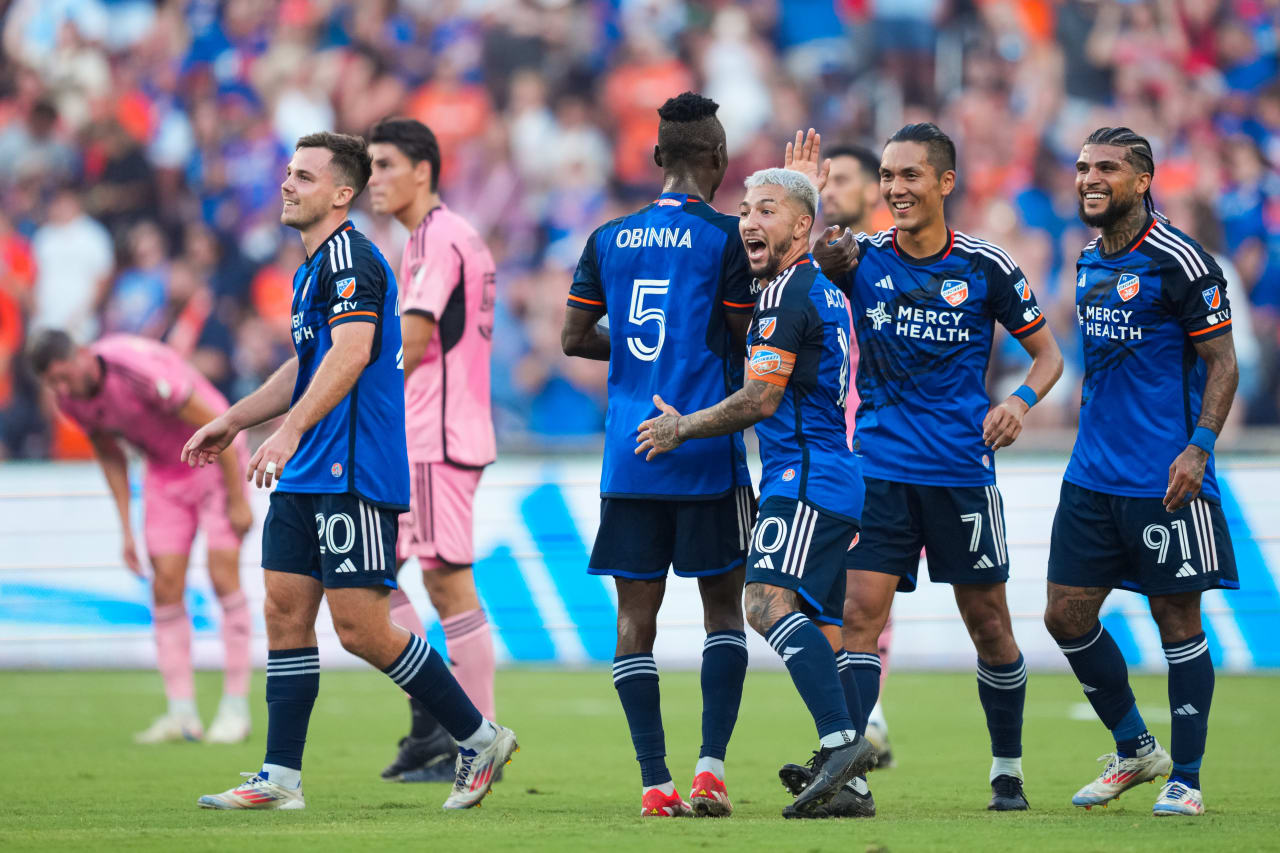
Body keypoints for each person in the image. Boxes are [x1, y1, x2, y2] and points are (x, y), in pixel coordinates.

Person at [184, 132, 516, 811]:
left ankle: (477, 736)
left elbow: (355, 351)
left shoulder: (353, 259)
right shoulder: (312, 268)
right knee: (283, 610)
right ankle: (280, 778)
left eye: (303, 176)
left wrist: (289, 430)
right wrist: (237, 417)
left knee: (362, 626)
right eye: (287, 173)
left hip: (352, 466)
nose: (287, 184)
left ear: (341, 193)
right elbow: (307, 362)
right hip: (308, 468)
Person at [790, 123, 1064, 812]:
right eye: (887, 176)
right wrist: (810, 215)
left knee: (990, 622)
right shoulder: (860, 259)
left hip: (960, 472)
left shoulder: (987, 265)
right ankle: (846, 769)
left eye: (910, 175)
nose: (895, 188)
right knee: (858, 612)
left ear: (944, 183)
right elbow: (791, 279)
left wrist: (1020, 403)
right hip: (878, 467)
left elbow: (1049, 355)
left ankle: (1006, 768)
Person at [637, 166, 875, 819]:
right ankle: (850, 787)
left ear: (802, 226)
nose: (748, 220)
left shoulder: (783, 295)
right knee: (819, 624)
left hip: (804, 476)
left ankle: (841, 745)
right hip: (832, 474)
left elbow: (762, 397)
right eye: (744, 208)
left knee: (763, 602)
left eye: (766, 210)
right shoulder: (820, 289)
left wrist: (682, 425)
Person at [560, 92, 755, 818]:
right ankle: (709, 770)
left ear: (655, 160)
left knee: (633, 622)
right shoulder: (729, 238)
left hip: (629, 458)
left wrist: (645, 355)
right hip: (705, 452)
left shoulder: (607, 237)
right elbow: (742, 338)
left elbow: (574, 339)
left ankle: (654, 782)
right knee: (723, 614)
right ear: (718, 161)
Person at [1044, 127, 1239, 818]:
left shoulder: (1181, 260)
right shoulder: (1089, 258)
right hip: (1091, 475)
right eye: (1081, 167)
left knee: (1175, 615)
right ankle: (1134, 747)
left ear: (1143, 177)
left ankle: (1185, 776)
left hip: (1166, 477)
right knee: (1064, 614)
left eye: (1106, 168)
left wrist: (1199, 446)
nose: (1089, 178)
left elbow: (1223, 362)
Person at [28, 329, 254, 744]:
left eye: (63, 376)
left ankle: (235, 709)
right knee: (165, 586)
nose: (61, 388)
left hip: (215, 456)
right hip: (165, 474)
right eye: (53, 383)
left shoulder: (135, 371)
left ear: (81, 354)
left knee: (224, 578)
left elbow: (215, 423)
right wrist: (126, 529)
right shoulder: (70, 400)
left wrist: (239, 499)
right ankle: (182, 715)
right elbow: (108, 453)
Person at [366, 117, 498, 784]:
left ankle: (476, 736)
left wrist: (344, 397)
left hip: (434, 435)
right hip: (437, 431)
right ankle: (436, 723)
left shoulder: (436, 239)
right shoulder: (437, 237)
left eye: (385, 164)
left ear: (423, 169)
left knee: (446, 582)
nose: (373, 179)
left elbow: (409, 347)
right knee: (375, 576)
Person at [799, 134, 897, 767]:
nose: (832, 191)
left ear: (875, 191)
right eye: (824, 183)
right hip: (829, 439)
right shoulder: (813, 265)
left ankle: (864, 721)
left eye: (844, 181)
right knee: (836, 588)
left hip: (884, 442)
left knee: (865, 590)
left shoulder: (895, 259)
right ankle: (865, 721)